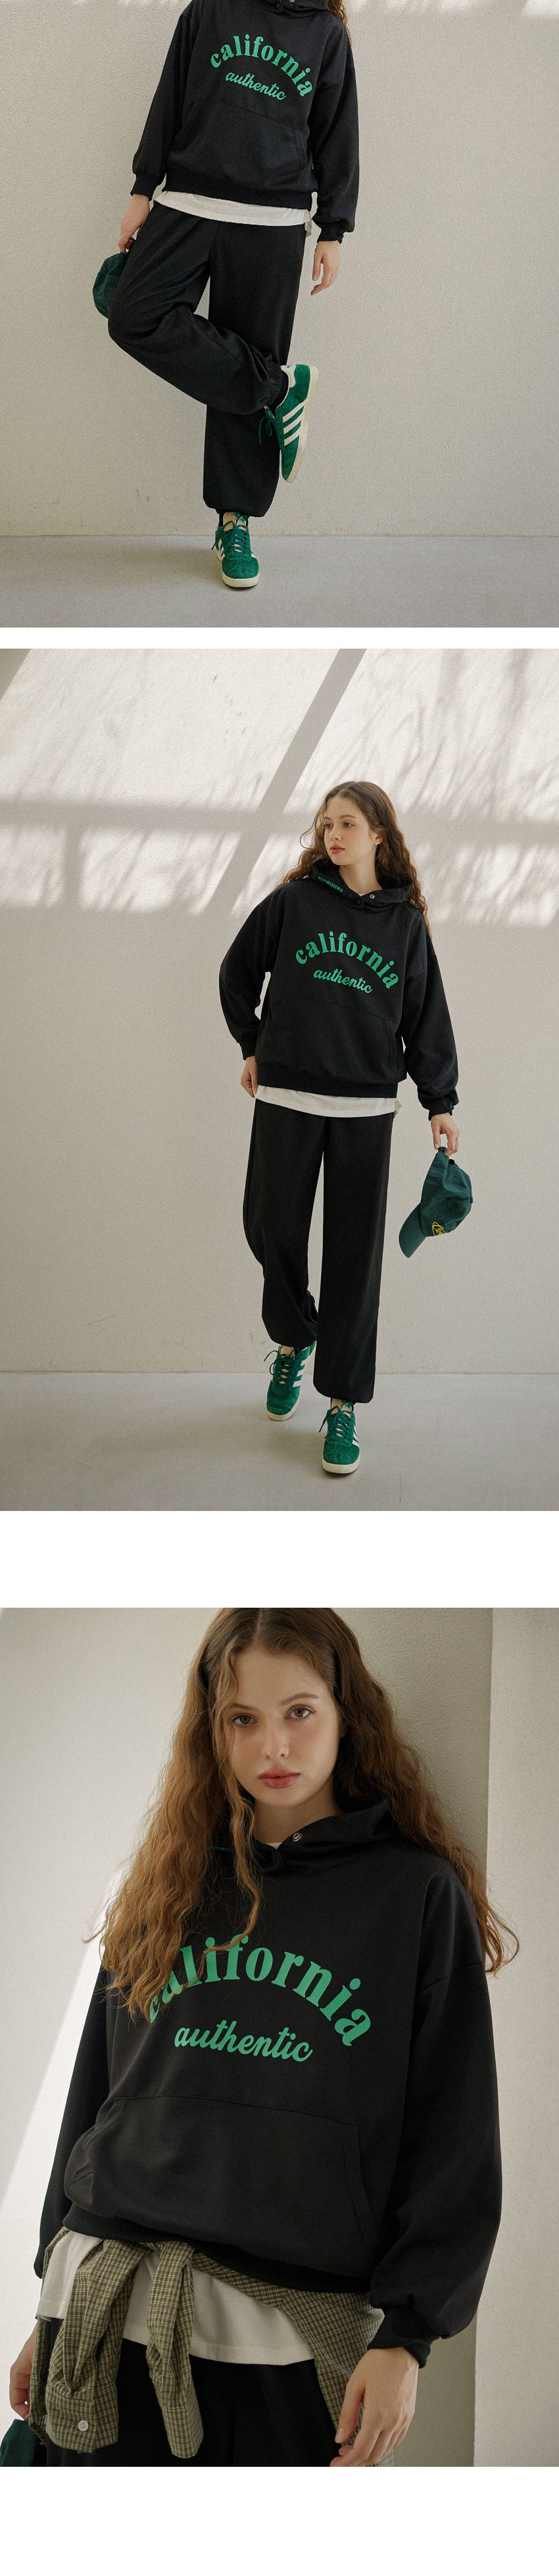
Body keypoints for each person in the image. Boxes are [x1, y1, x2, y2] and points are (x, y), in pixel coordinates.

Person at [11, 1609, 512, 2468]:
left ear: (347, 1713)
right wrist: (46, 2301)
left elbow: (455, 2129)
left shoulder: (412, 1896)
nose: (272, 1745)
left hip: (283, 2331)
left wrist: (407, 2335)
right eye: (242, 1718)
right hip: (98, 2299)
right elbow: (99, 2093)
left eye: (299, 1712)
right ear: (213, 1731)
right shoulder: (165, 1881)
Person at [107, 0, 358, 590]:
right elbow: (169, 95)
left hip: (274, 223)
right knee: (132, 314)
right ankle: (279, 388)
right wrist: (142, 187)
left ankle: (234, 521)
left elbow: (337, 135)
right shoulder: (212, 7)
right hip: (189, 201)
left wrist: (333, 228)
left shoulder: (326, 34)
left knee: (239, 362)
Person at [218, 779, 460, 1475]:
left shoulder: (404, 925)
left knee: (355, 1261)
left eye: (348, 823)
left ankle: (343, 1402)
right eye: (326, 823)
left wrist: (440, 1102)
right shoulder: (294, 903)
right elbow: (236, 973)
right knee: (270, 1229)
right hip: (286, 1095)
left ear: (379, 833)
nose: (333, 834)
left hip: (365, 1109)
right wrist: (252, 1044)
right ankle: (295, 1337)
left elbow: (426, 1017)